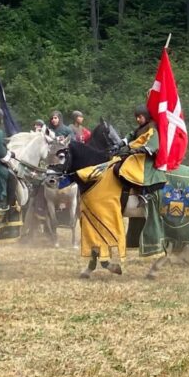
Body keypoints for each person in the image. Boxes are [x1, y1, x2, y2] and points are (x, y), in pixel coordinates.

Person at [78, 105, 159, 277]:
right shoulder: (139, 129)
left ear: (146, 116)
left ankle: (141, 192)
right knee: (113, 164)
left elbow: (153, 146)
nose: (138, 119)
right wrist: (120, 145)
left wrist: (138, 149)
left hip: (144, 160)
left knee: (120, 170)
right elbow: (127, 138)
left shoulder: (153, 130)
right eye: (136, 117)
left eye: (140, 117)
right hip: (133, 155)